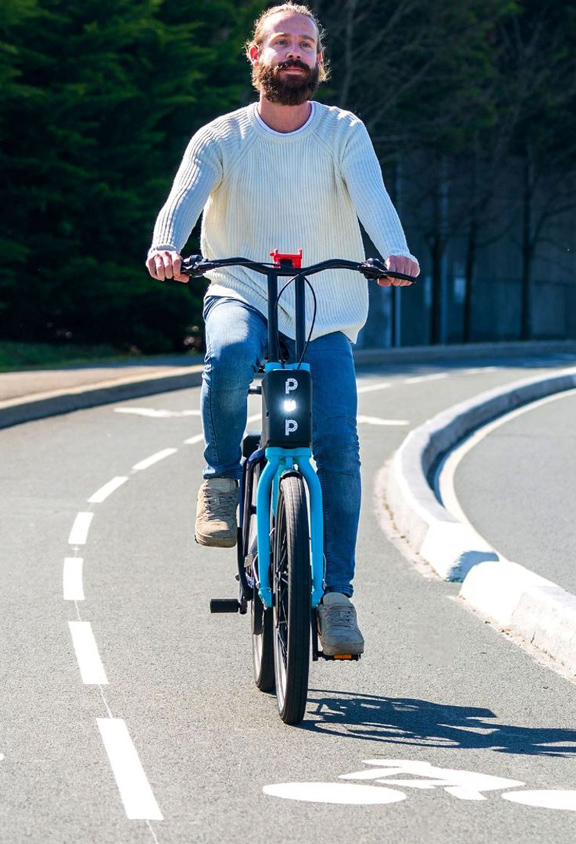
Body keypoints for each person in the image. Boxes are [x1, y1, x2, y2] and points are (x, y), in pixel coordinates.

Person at [145, 3, 418, 656]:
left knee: (339, 445)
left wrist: (396, 254)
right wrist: (165, 247)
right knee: (231, 356)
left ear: (320, 61)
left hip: (327, 306)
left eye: (306, 45)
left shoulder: (344, 133)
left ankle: (337, 596)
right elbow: (180, 204)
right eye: (281, 43)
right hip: (243, 291)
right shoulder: (221, 138)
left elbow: (373, 200)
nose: (294, 53)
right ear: (255, 56)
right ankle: (219, 481)